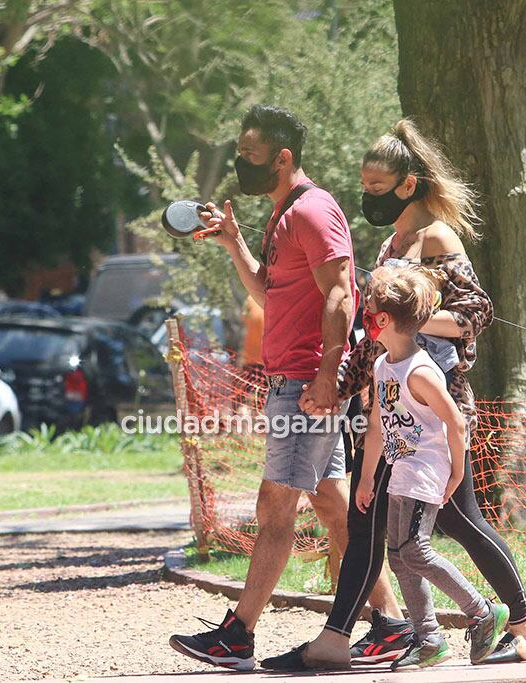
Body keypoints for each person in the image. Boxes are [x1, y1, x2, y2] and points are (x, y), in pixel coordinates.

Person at [263, 119, 526, 671]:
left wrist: (408, 316)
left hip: (435, 408)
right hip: (389, 411)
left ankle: (524, 622)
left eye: (376, 187)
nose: (366, 196)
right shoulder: (390, 243)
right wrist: (335, 386)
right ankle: (338, 638)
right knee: (368, 523)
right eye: (363, 185)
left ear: (408, 183)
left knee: (458, 521)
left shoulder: (437, 238)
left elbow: (474, 314)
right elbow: (374, 338)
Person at [168, 105, 397, 670]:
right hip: (296, 379)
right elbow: (273, 294)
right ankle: (394, 624)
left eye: (249, 153)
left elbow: (342, 295)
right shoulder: (283, 214)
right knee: (335, 509)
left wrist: (327, 375)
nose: (242, 162)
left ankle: (237, 634)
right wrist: (233, 242)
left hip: (304, 383)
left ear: (283, 156)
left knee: (275, 508)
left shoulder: (314, 212)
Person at [356, 266, 509, 670]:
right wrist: (368, 476)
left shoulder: (420, 370)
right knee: (398, 555)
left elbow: (456, 421)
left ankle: (482, 611)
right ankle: (429, 640)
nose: (364, 313)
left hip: (426, 470)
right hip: (401, 469)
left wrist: (457, 472)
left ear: (384, 319)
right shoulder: (382, 365)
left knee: (415, 550)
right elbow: (375, 425)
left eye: (368, 308)